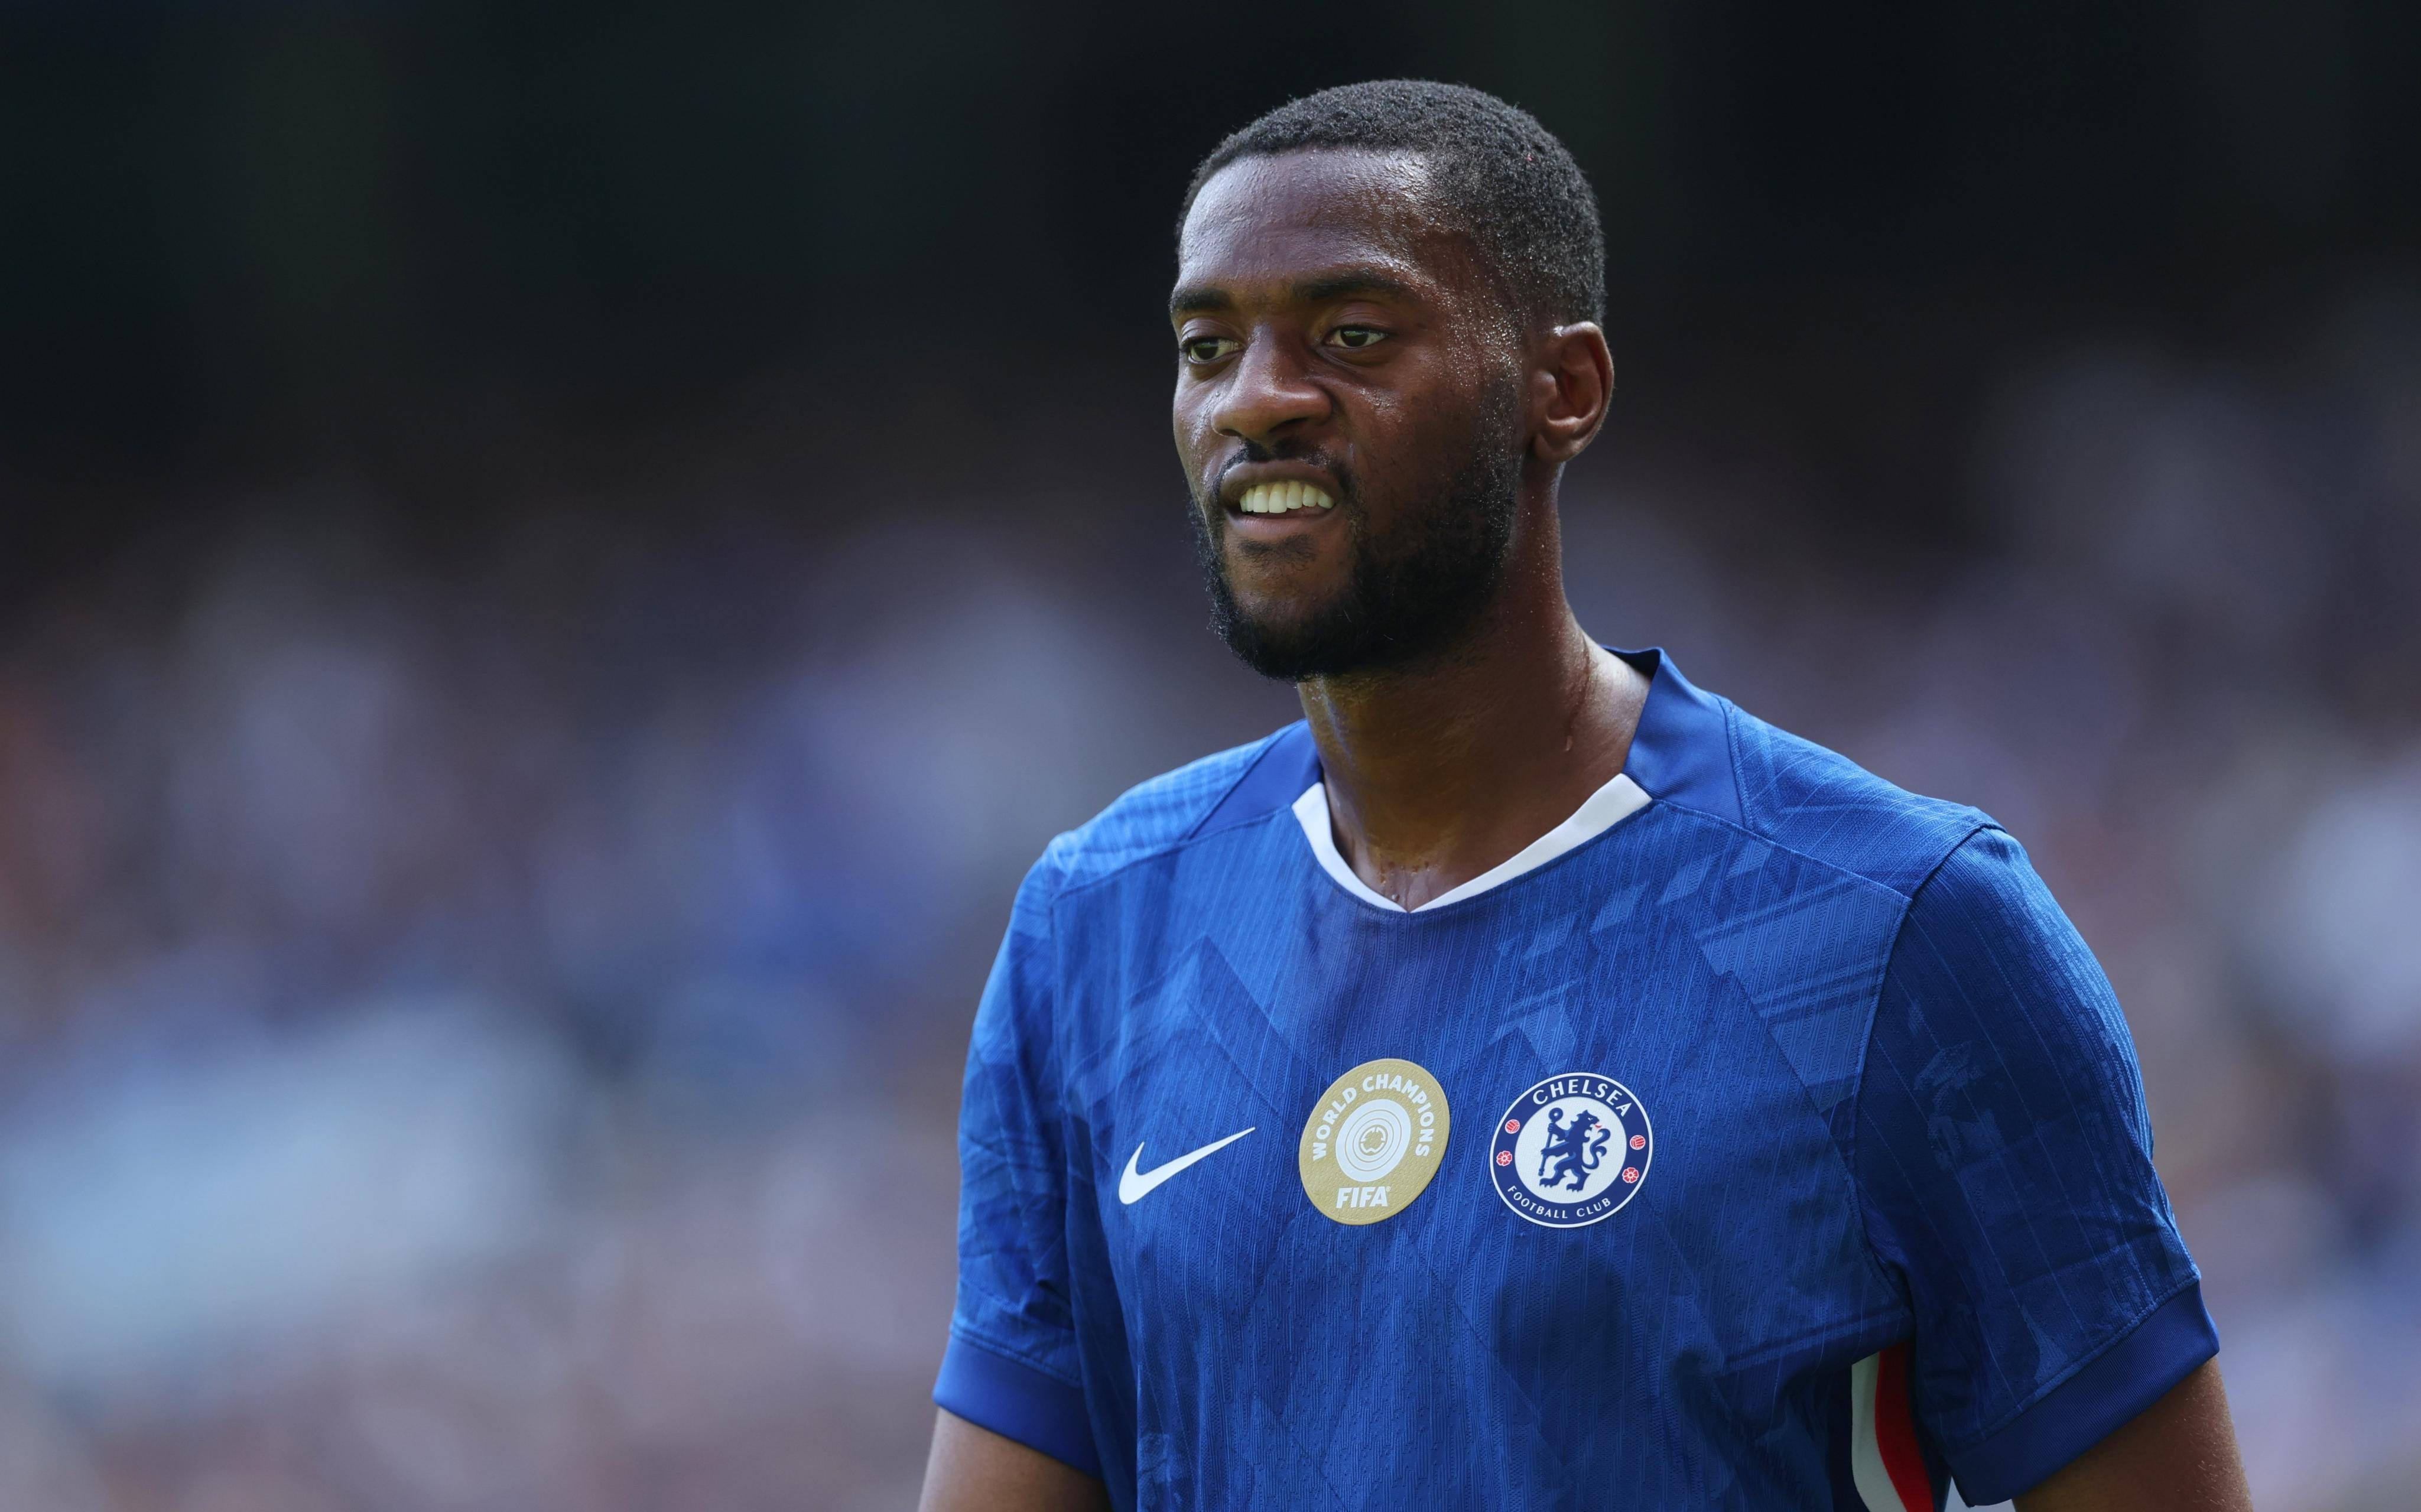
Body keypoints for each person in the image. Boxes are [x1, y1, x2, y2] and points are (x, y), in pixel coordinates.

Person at [918, 80, 2251, 1512]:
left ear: (1563, 391)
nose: (1256, 397)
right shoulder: (1097, 928)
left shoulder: (1900, 930)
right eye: (1207, 347)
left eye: (1352, 334)